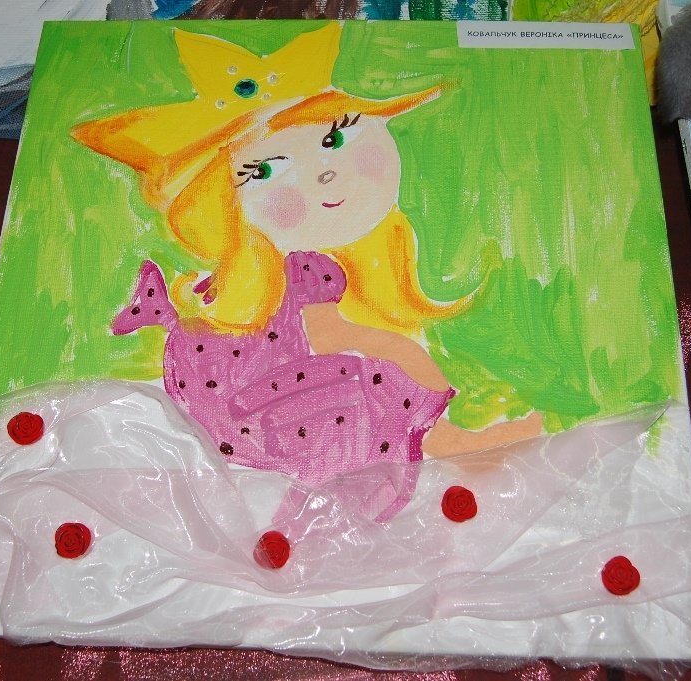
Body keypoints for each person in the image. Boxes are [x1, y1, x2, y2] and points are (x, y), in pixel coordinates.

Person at [73, 23, 541, 521]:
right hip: (254, 408)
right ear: (224, 204)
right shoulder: (296, 269)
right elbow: (332, 336)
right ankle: (456, 447)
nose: (324, 174)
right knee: (379, 379)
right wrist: (408, 358)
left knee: (377, 375)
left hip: (236, 408)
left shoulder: (267, 273)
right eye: (265, 170)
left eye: (334, 137)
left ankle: (441, 450)